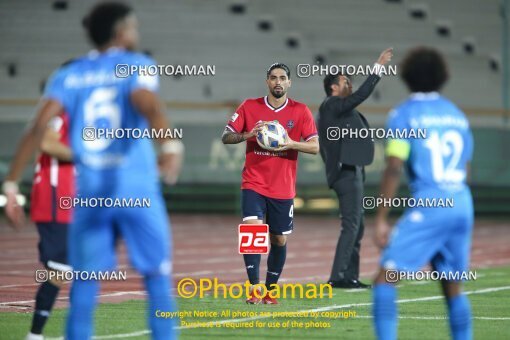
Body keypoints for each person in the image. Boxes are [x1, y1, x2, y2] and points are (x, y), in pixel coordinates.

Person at [28, 2, 183, 339]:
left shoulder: (72, 77)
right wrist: (170, 144)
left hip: (89, 192)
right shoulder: (136, 67)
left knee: (83, 278)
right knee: (157, 276)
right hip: (131, 186)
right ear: (121, 33)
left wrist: (11, 183)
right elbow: (149, 105)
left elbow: (37, 131)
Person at [372, 47, 474, 340]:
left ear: (406, 77)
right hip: (461, 202)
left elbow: (393, 167)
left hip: (432, 204)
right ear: (444, 77)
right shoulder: (457, 115)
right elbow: (467, 171)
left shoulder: (404, 114)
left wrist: (381, 218)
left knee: (384, 280)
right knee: (452, 285)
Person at [222, 62, 319, 304]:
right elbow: (226, 136)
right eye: (273, 77)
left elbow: (315, 147)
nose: (278, 81)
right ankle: (254, 289)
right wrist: (248, 135)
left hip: (283, 188)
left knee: (279, 239)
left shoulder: (301, 111)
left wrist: (291, 144)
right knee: (252, 231)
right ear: (267, 81)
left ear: (289, 82)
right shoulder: (249, 106)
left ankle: (270, 290)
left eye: (282, 77)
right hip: (253, 182)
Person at [317, 48, 393, 289]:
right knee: (351, 224)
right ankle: (338, 277)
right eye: (344, 81)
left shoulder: (342, 109)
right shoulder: (331, 105)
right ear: (333, 88)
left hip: (353, 170)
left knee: (357, 226)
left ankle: (349, 275)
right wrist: (378, 67)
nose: (349, 83)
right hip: (345, 172)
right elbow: (362, 94)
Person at [3, 110, 73, 340]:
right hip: (56, 202)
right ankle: (35, 335)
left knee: (78, 268)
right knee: (60, 271)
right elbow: (45, 142)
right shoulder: (60, 115)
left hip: (76, 203)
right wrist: (84, 156)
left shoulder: (85, 117)